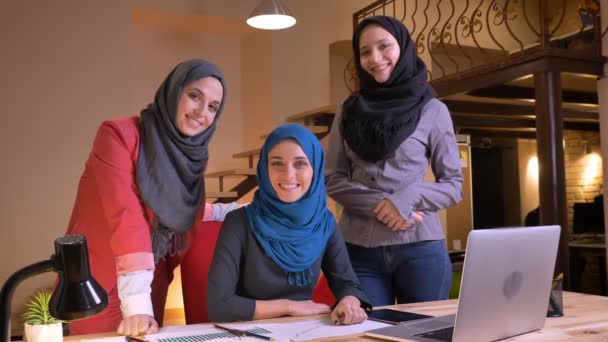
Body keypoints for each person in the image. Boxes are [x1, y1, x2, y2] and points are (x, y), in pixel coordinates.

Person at [66, 59, 240, 336]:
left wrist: (232, 210)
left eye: (213, 107)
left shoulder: (192, 156)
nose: (202, 112)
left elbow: (173, 207)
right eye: (194, 96)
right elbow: (127, 215)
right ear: (174, 90)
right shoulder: (119, 135)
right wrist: (137, 305)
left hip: (152, 281)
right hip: (100, 284)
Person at [325, 16, 463, 306]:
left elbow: (453, 185)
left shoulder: (433, 110)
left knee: (426, 334)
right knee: (367, 333)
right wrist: (381, 206)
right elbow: (332, 178)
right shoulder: (347, 111)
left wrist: (408, 197)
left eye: (384, 46)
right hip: (359, 250)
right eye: (364, 52)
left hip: (420, 248)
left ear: (403, 47)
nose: (375, 59)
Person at [207, 123, 371, 324]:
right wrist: (291, 306)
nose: (288, 175)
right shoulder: (239, 222)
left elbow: (348, 283)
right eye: (277, 163)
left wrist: (349, 302)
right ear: (264, 168)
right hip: (249, 333)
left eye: (300, 163)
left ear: (315, 168)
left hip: (303, 332)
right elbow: (219, 306)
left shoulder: (323, 222)